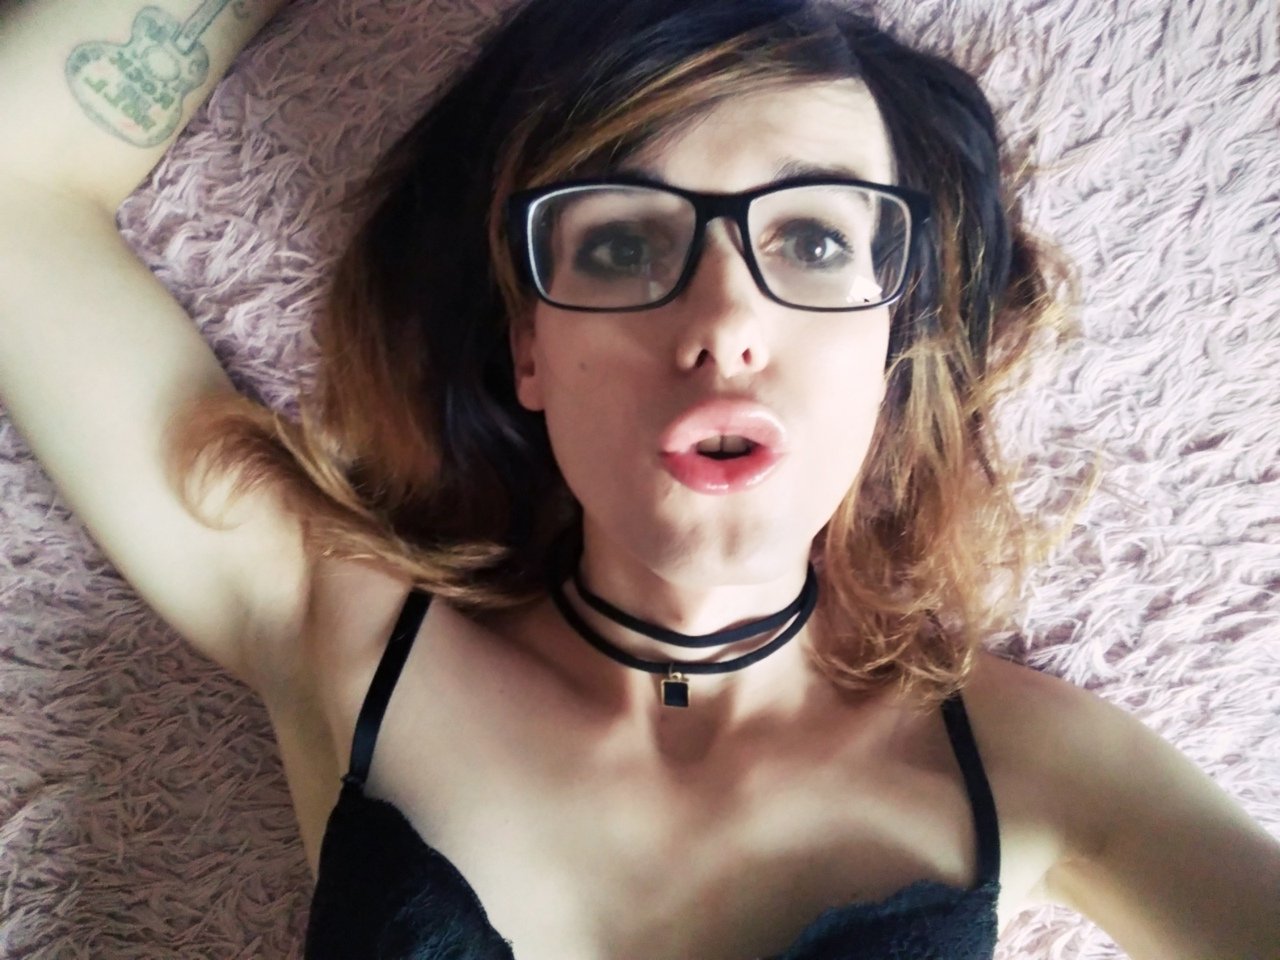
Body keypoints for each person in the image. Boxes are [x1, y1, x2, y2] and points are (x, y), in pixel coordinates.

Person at [1, 0, 1277, 957]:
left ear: (891, 349)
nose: (723, 323)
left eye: (812, 238)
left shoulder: (1040, 766)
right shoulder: (335, 627)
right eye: (621, 243)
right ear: (528, 345)